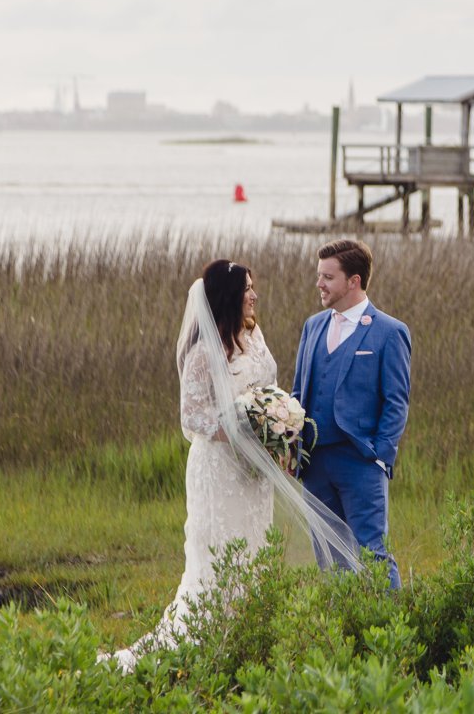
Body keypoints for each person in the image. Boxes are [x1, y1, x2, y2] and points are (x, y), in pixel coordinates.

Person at [107, 260, 359, 671]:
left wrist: (277, 422)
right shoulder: (203, 352)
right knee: (218, 552)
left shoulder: (253, 337)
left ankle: (245, 638)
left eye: (254, 286)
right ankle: (200, 643)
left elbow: (268, 389)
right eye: (246, 288)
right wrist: (246, 430)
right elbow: (193, 418)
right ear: (228, 296)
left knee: (253, 549)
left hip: (253, 473)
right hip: (218, 470)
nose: (254, 295)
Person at [291, 238, 413, 590]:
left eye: (328, 277)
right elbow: (300, 391)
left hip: (362, 463)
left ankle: (389, 630)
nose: (319, 284)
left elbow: (396, 401)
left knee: (373, 555)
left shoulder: (390, 332)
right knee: (329, 559)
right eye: (319, 276)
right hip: (314, 465)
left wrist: (381, 457)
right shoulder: (312, 326)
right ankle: (344, 635)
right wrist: (292, 447)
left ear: (354, 281)